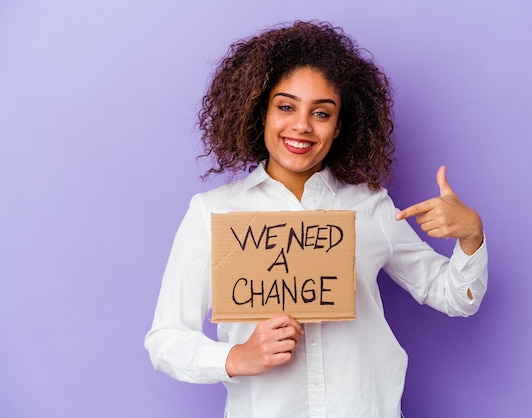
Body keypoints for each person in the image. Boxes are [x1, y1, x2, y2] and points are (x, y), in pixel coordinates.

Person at [145, 20, 487, 418]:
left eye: (321, 113)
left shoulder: (369, 206)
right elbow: (165, 340)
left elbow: (453, 296)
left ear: (339, 126)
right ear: (262, 112)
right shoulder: (212, 212)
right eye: (286, 106)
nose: (302, 125)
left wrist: (471, 237)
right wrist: (237, 357)